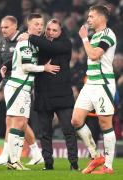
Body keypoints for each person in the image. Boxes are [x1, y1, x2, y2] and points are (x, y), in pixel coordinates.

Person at [19, 19, 79, 170]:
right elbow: (28, 60)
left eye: (55, 30)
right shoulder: (39, 43)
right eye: (49, 29)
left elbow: (51, 48)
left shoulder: (65, 44)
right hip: (43, 95)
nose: (51, 32)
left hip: (62, 95)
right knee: (45, 133)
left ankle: (73, 163)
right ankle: (48, 164)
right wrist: (7, 66)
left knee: (68, 131)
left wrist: (30, 36)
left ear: (60, 32)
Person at [0, 15, 44, 166]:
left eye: (6, 27)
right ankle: (35, 154)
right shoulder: (4, 44)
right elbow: (1, 66)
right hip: (11, 84)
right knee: (18, 121)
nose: (2, 30)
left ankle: (9, 156)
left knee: (16, 121)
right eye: (1, 27)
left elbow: (26, 62)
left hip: (21, 84)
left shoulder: (24, 39)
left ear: (15, 27)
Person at [5, 13, 60, 170]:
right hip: (18, 87)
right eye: (36, 24)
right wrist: (45, 68)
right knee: (19, 123)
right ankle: (13, 160)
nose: (39, 27)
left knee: (21, 124)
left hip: (23, 87)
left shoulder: (33, 42)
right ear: (29, 25)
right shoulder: (25, 43)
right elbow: (26, 66)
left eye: (41, 24)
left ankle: (13, 160)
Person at [71, 5, 117, 174]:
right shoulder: (95, 35)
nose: (88, 19)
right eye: (88, 16)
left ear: (101, 18)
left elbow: (94, 55)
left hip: (103, 84)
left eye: (91, 16)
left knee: (105, 124)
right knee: (76, 120)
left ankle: (108, 166)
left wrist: (84, 39)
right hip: (90, 84)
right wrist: (87, 39)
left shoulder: (108, 34)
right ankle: (96, 155)